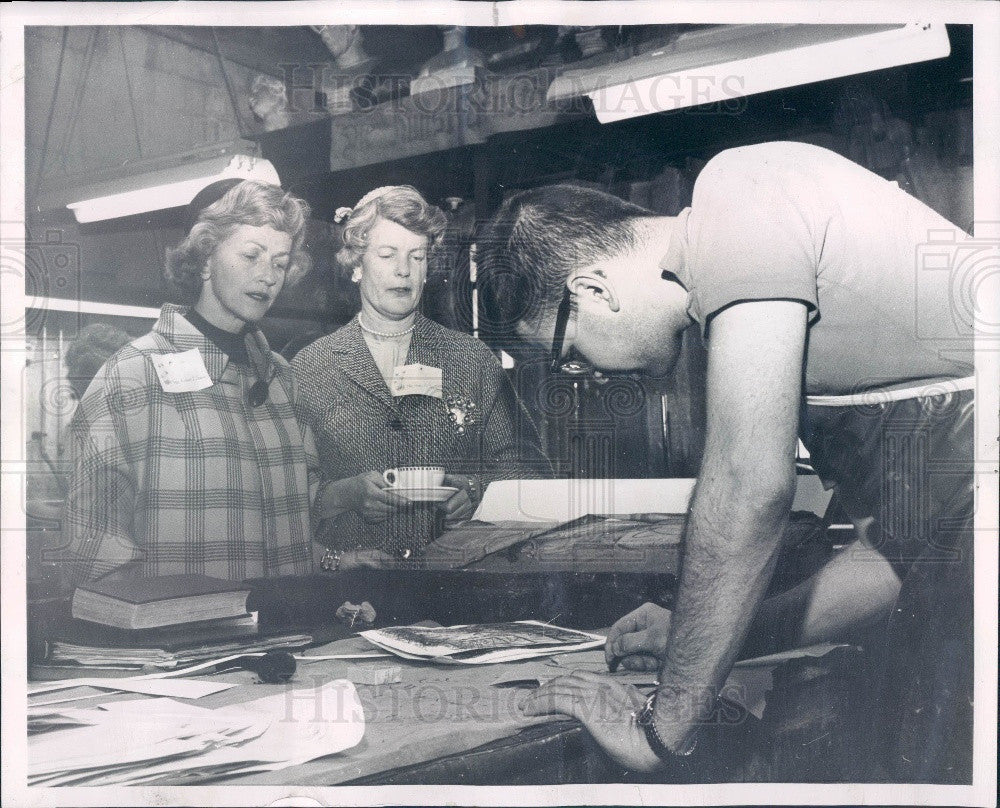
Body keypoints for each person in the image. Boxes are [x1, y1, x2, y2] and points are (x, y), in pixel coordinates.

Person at [476, 141, 976, 782]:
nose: (582, 374)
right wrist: (702, 634)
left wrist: (657, 733)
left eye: (565, 351)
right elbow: (899, 559)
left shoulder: (737, 194)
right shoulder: (754, 303)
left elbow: (748, 486)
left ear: (592, 289)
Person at [62, 179, 324, 582]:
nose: (268, 276)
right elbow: (93, 540)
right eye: (251, 255)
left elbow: (302, 517)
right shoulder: (133, 374)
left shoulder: (283, 381)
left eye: (279, 261)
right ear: (204, 260)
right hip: (184, 636)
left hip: (288, 628)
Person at [293, 185, 550, 569]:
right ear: (356, 264)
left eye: (417, 256)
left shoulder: (471, 359)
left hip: (456, 582)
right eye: (387, 254)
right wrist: (343, 494)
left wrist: (477, 492)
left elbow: (528, 467)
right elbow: (282, 495)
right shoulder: (310, 367)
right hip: (351, 585)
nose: (403, 270)